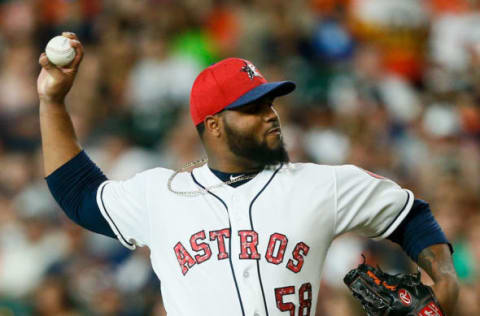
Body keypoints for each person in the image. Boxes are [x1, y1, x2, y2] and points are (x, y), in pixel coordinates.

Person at [37, 32, 459, 316]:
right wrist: (52, 103)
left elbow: (410, 216)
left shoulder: (322, 184)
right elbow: (77, 193)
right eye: (253, 108)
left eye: (270, 103)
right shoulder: (161, 194)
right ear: (214, 124)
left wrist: (443, 279)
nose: (270, 116)